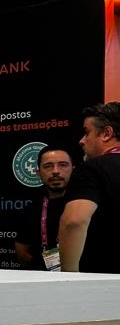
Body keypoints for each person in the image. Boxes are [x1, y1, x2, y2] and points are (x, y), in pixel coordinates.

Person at [60, 102, 120, 273]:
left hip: (104, 280)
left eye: (87, 133)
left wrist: (69, 278)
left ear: (107, 133)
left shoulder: (91, 168)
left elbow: (74, 221)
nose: (82, 141)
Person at [13, 145, 73, 270]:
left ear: (73, 169)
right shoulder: (31, 209)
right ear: (38, 173)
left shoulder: (86, 205)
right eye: (48, 166)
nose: (55, 171)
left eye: (63, 165)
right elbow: (22, 253)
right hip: (42, 276)